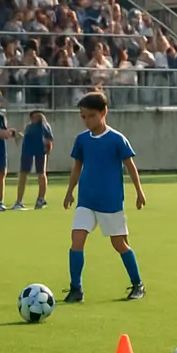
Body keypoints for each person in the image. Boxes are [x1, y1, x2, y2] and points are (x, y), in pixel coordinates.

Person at [63, 91, 146, 303]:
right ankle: (76, 288)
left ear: (104, 112)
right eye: (83, 116)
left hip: (110, 202)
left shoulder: (117, 139)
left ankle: (138, 284)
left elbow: (130, 166)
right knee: (76, 240)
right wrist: (70, 191)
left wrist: (139, 191)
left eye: (91, 116)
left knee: (119, 244)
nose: (87, 120)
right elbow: (77, 167)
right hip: (86, 201)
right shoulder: (82, 140)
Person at [13, 110, 53, 211]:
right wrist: (19, 136)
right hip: (27, 151)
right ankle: (19, 201)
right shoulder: (29, 126)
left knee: (41, 174)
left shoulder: (44, 126)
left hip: (40, 151)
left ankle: (41, 199)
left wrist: (47, 150)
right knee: (23, 174)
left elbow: (49, 140)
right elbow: (28, 137)